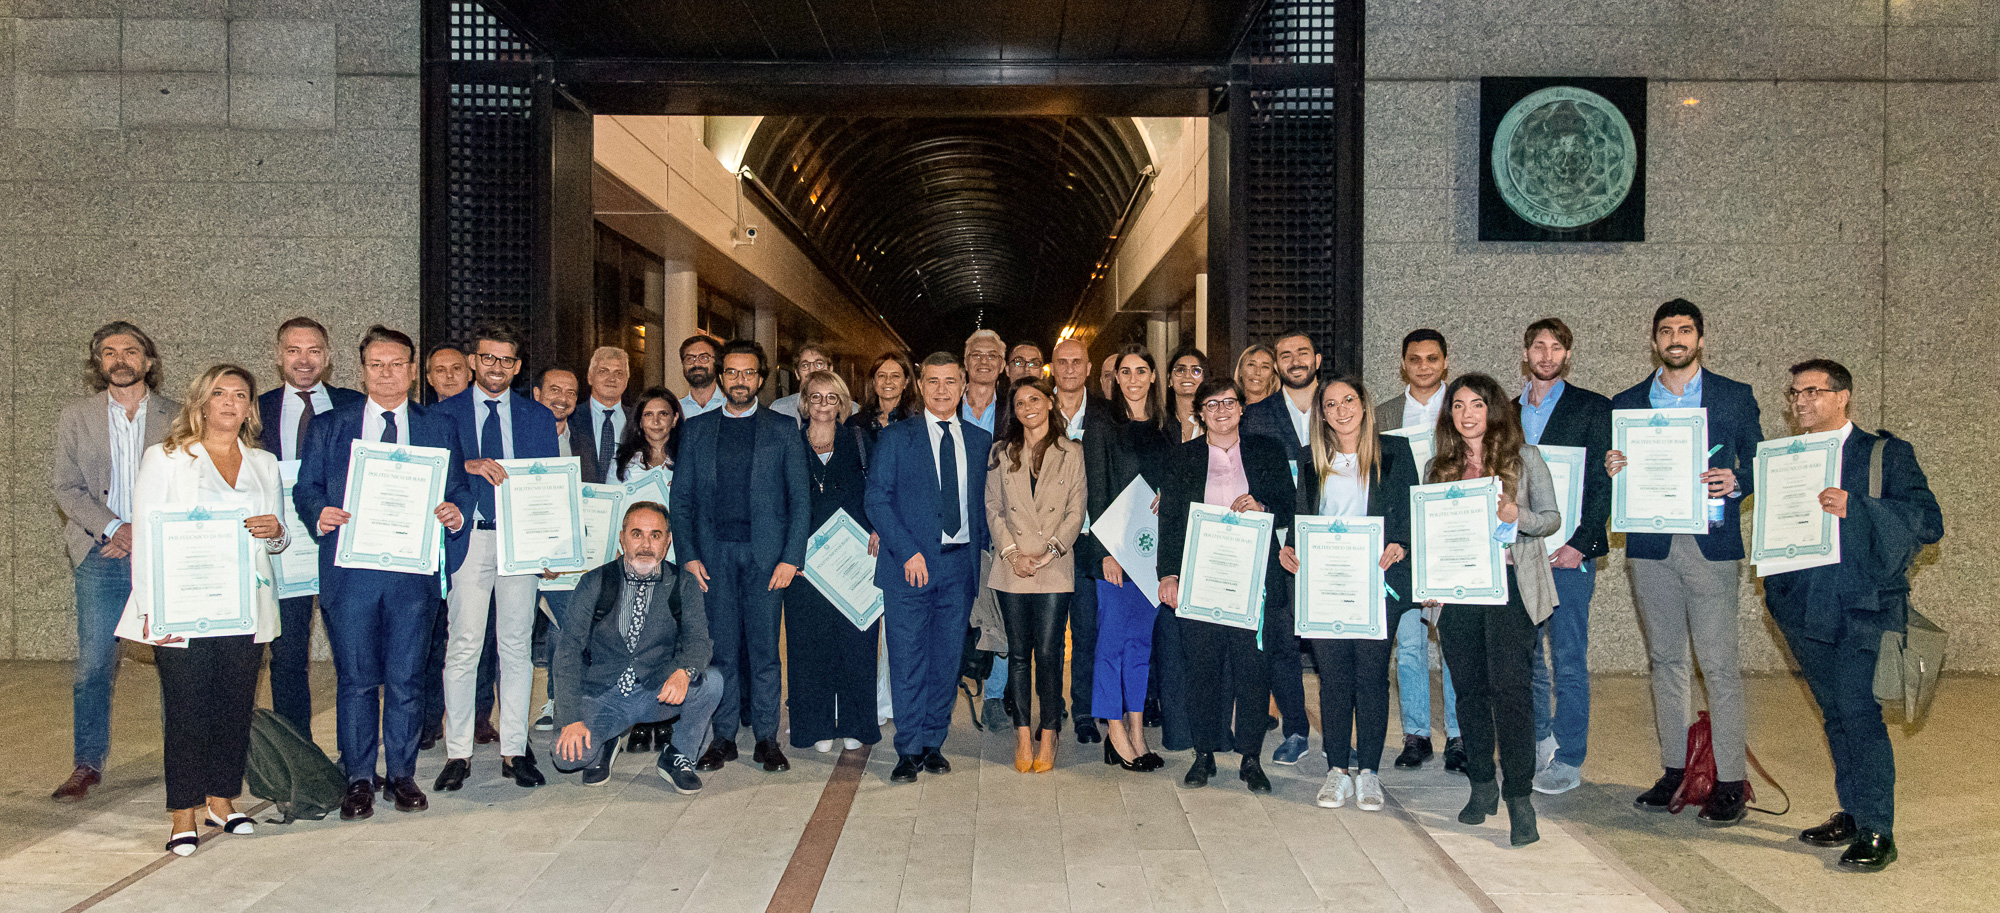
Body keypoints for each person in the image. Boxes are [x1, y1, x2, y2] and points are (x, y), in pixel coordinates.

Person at [1764, 359, 1941, 872]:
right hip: (1805, 607)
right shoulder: (1786, 456)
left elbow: (1929, 522)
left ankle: (1878, 829)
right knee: (1835, 715)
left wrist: (1857, 506)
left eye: (1812, 392)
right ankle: (1854, 811)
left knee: (1860, 715)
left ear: (1843, 397)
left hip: (1866, 608)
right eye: (1794, 392)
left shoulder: (1885, 453)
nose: (1800, 402)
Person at [296, 326, 472, 819]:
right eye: (377, 365)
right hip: (351, 574)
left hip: (412, 577)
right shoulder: (332, 425)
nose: (387, 373)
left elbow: (458, 487)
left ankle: (401, 774)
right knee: (355, 680)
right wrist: (319, 512)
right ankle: (358, 778)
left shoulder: (437, 426)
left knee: (406, 680)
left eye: (397, 364)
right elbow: (306, 487)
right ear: (362, 370)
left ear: (413, 371)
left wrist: (456, 511)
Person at [115, 364, 287, 854]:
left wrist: (277, 532)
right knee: (188, 709)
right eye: (220, 393)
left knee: (234, 707)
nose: (230, 402)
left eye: (241, 394)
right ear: (201, 402)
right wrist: (154, 613)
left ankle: (221, 801)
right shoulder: (166, 457)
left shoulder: (264, 463)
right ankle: (182, 813)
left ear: (250, 407)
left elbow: (278, 542)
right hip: (183, 608)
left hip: (244, 607)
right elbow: (147, 537)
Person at [1607, 299, 1762, 824]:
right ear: (1654, 340)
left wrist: (1738, 480)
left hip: (1710, 545)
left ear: (1700, 338)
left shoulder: (1734, 397)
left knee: (1719, 666)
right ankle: (1675, 769)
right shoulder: (1626, 403)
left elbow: (1761, 462)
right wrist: (1613, 467)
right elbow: (1611, 478)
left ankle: (1731, 781)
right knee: (1666, 661)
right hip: (1651, 547)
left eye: (1685, 330)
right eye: (1666, 331)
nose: (1676, 338)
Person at [1423, 372, 1561, 847]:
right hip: (1459, 594)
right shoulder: (1439, 466)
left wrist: (1514, 516)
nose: (1466, 414)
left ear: (1493, 409)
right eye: (1457, 406)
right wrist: (1431, 583)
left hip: (1510, 588)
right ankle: (1482, 787)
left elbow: (1551, 519)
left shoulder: (1525, 459)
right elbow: (1430, 535)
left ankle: (1520, 798)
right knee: (1469, 693)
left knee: (1512, 693)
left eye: (1476, 405)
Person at [51, 322, 183, 803]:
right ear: (98, 362)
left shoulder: (179, 414)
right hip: (101, 552)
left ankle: (181, 760)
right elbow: (65, 488)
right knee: (93, 664)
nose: (120, 359)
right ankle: (86, 762)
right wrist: (113, 528)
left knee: (175, 660)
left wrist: (144, 535)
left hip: (163, 553)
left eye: (130, 351)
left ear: (148, 360)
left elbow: (189, 482)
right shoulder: (76, 416)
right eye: (109, 352)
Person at [673, 340, 812, 774]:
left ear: (761, 378)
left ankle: (767, 738)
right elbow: (681, 502)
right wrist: (689, 556)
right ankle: (724, 737)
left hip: (767, 559)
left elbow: (800, 500)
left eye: (748, 373)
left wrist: (791, 557)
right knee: (722, 652)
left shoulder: (783, 429)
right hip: (713, 558)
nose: (739, 380)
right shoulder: (695, 431)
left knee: (766, 651)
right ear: (720, 375)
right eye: (731, 372)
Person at [433, 324, 561, 791]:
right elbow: (431, 470)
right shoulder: (443, 414)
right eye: (488, 359)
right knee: (464, 645)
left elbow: (547, 485)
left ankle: (513, 749)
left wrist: (550, 544)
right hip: (470, 537)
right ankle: (458, 752)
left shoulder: (536, 417)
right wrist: (467, 465)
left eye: (507, 361)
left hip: (519, 543)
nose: (497, 368)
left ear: (518, 367)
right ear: (473, 361)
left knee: (516, 646)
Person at [1279, 376, 1415, 811]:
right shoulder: (1309, 459)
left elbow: (1412, 511)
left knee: (1372, 677)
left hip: (1377, 582)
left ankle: (1370, 772)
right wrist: (1291, 550)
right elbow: (1301, 518)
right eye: (1331, 403)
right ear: (1322, 413)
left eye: (1349, 401)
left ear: (1364, 405)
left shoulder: (1394, 453)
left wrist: (1403, 542)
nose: (1341, 410)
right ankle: (1338, 770)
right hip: (1326, 585)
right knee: (1333, 680)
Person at [1156, 377, 1293, 793]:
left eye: (1228, 402)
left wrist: (1263, 505)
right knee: (1202, 669)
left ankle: (1250, 756)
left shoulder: (1267, 452)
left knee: (1253, 669)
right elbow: (1172, 520)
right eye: (1211, 404)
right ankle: (1204, 754)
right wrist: (1168, 574)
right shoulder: (1182, 458)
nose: (1220, 411)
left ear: (1242, 408)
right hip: (1201, 577)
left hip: (1254, 580)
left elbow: (1290, 505)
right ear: (1199, 412)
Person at [866, 352, 992, 783]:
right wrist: (907, 551)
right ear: (920, 386)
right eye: (933, 381)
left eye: (950, 381)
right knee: (907, 659)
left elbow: (985, 507)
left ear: (962, 385)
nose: (942, 389)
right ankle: (907, 747)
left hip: (959, 567)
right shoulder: (897, 438)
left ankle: (934, 742)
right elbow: (876, 499)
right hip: (909, 568)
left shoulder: (978, 441)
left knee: (945, 659)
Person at [550, 502, 724, 793]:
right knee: (567, 759)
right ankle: (606, 743)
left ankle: (678, 756)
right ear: (622, 538)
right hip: (602, 694)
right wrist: (571, 719)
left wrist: (684, 671)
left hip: (655, 691)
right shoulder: (595, 582)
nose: (646, 544)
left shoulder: (682, 584)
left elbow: (698, 641)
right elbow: (567, 651)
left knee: (712, 682)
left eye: (655, 535)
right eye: (637, 534)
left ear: (667, 543)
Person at [1513, 318, 1613, 796]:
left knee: (1569, 659)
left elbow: (1600, 483)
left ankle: (1570, 755)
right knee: (1528, 657)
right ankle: (1537, 739)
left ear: (1567, 356)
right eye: (1539, 346)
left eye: (1556, 348)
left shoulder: (1593, 408)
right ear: (1526, 353)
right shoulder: (1507, 413)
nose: (1546, 355)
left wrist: (1582, 544)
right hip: (1523, 555)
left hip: (1570, 555)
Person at [253, 317, 365, 734]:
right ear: (278, 356)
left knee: (352, 656)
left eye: (314, 350)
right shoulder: (256, 408)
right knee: (287, 657)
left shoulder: (354, 406)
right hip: (283, 549)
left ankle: (353, 753)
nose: (304, 360)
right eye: (294, 350)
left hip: (344, 544)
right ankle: (298, 755)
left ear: (328, 357)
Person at [985, 378, 1086, 773]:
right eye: (1020, 401)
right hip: (1012, 567)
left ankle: (1049, 732)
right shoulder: (1001, 452)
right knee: (1018, 653)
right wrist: (1013, 553)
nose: (1028, 406)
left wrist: (1050, 553)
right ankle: (1022, 732)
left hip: (1054, 566)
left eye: (1035, 398)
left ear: (1050, 403)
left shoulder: (1071, 452)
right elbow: (993, 507)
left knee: (1048, 653)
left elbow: (1076, 510)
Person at [1086, 345, 1176, 768]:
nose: (1134, 378)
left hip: (1152, 554)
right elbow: (1097, 490)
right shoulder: (1102, 426)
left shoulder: (1167, 427)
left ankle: (1138, 729)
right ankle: (1114, 729)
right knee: (1111, 643)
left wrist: (1168, 496)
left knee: (1140, 645)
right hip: (1116, 554)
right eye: (1126, 371)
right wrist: (1106, 552)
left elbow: (1175, 483)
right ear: (1116, 378)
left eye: (1142, 370)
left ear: (1154, 377)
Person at [786, 371, 882, 754]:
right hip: (804, 562)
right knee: (808, 645)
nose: (823, 405)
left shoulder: (860, 441)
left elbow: (880, 489)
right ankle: (815, 726)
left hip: (855, 557)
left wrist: (878, 528)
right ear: (804, 403)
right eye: (815, 397)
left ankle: (858, 723)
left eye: (831, 398)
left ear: (842, 404)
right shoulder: (789, 444)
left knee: (857, 641)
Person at [1379, 328, 1461, 772]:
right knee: (1409, 643)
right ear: (1403, 363)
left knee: (1453, 642)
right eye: (1415, 359)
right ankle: (1416, 735)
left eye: (1432, 359)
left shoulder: (1463, 406)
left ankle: (1459, 736)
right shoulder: (1384, 413)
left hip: (1450, 536)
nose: (1424, 366)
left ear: (1444, 362)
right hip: (1403, 542)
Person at [1242, 329, 1321, 766]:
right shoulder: (1256, 415)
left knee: (1330, 643)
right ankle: (1295, 727)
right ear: (1278, 364)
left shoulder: (1339, 404)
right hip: (1278, 541)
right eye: (1285, 355)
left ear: (1317, 359)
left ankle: (1341, 735)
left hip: (1333, 542)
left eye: (1302, 353)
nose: (1294, 361)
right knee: (1282, 639)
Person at [422, 342, 496, 749]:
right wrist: (466, 465)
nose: (449, 376)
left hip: (481, 536)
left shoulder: (487, 413)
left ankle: (480, 716)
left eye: (456, 368)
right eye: (440, 370)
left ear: (469, 372)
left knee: (481, 635)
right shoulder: (423, 419)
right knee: (435, 638)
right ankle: (431, 718)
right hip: (434, 541)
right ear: (428, 377)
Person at [1051, 338, 1113, 745]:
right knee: (1051, 634)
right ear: (1051, 368)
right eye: (1062, 362)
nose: (1070, 368)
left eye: (1077, 362)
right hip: (1048, 544)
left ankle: (1086, 711)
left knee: (1088, 631)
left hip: (1092, 541)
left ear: (1088, 368)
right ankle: (1052, 708)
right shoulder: (1035, 410)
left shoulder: (1108, 416)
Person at [960, 330, 1012, 726]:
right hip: (953, 524)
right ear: (965, 359)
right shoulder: (943, 403)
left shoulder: (1015, 409)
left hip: (1002, 527)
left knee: (1001, 612)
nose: (983, 361)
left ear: (1002, 363)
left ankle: (995, 693)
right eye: (976, 354)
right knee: (954, 612)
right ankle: (948, 684)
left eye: (991, 355)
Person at [532, 366, 583, 732]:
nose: (561, 398)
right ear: (537, 394)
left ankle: (559, 700)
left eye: (569, 392)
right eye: (554, 389)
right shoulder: (522, 434)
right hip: (527, 549)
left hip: (573, 548)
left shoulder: (582, 438)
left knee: (565, 625)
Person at [572, 347, 633, 485]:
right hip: (583, 501)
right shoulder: (570, 418)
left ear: (626, 381)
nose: (611, 378)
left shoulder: (638, 420)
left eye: (619, 373)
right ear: (590, 377)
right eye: (603, 371)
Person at [849, 351, 916, 454]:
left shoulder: (918, 425)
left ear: (906, 382)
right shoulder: (855, 424)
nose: (888, 381)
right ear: (873, 381)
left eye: (895, 376)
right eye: (881, 376)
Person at [613, 387, 683, 481]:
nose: (656, 422)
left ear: (675, 419)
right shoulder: (622, 459)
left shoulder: (688, 458)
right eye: (648, 414)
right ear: (640, 421)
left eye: (663, 414)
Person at [773, 343, 848, 423]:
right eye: (805, 366)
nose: (812, 371)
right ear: (797, 374)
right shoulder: (779, 409)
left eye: (819, 364)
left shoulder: (851, 411)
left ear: (830, 370)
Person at [1166, 345, 1206, 442]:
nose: (1187, 376)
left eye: (1196, 371)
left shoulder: (1213, 423)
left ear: (1204, 379)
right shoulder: (1159, 424)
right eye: (1180, 370)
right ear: (1170, 379)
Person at [679, 334, 724, 417]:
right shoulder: (676, 410)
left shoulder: (730, 407)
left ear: (716, 362)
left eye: (704, 357)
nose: (696, 363)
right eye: (689, 358)